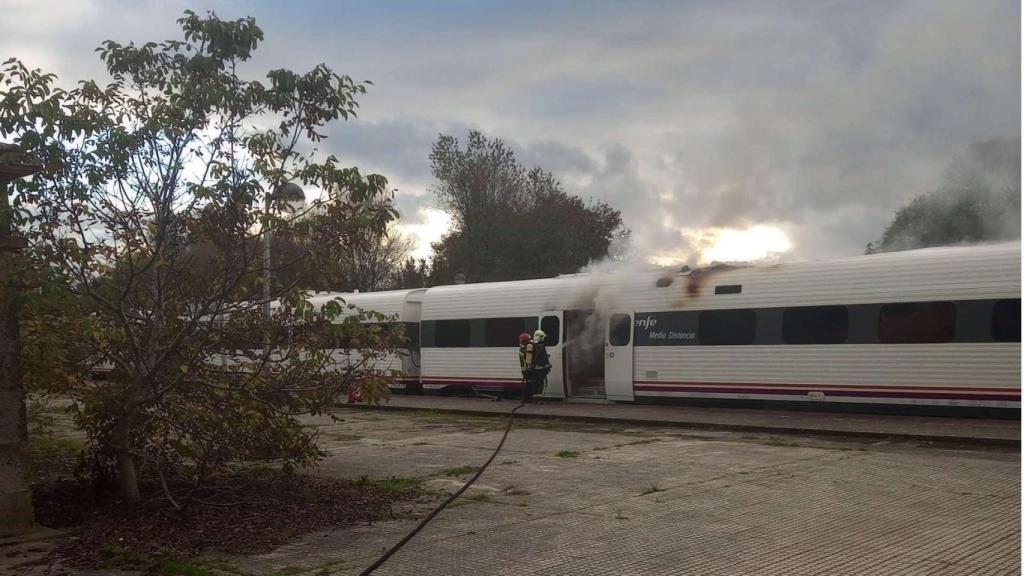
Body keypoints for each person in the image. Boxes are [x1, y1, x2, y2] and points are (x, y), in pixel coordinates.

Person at [526, 329, 551, 404]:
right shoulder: (541, 346)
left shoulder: (531, 344)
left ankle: (534, 399)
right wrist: (548, 366)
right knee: (541, 383)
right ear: (541, 337)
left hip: (533, 368)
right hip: (540, 369)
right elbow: (544, 358)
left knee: (534, 383)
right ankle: (539, 399)